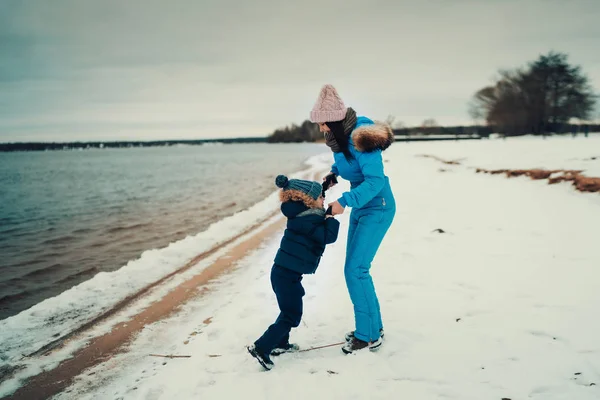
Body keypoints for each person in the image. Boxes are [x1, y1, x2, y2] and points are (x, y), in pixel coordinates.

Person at [309, 84, 395, 354]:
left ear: (333, 120)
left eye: (322, 123)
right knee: (356, 270)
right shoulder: (339, 139)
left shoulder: (362, 138)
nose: (321, 128)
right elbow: (347, 162)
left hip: (378, 206)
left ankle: (367, 335)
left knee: (356, 270)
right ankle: (373, 327)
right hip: (364, 206)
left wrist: (344, 202)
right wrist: (334, 173)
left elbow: (375, 180)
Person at [248, 174, 340, 370]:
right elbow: (327, 236)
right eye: (320, 197)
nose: (323, 199)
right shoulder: (307, 220)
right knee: (291, 315)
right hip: (285, 276)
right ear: (309, 200)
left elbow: (314, 196)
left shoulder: (301, 212)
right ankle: (261, 347)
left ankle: (280, 344)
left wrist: (324, 187)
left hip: (284, 274)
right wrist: (332, 216)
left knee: (288, 310)